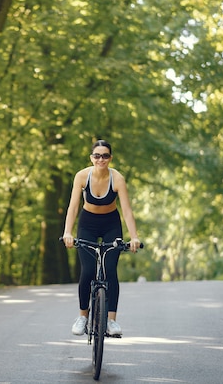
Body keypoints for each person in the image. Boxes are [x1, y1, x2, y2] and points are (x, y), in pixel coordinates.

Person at [62, 140, 141, 337]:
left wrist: (134, 237)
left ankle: (111, 321)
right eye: (97, 155)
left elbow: (128, 211)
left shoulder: (117, 179)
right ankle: (82, 317)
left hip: (111, 224)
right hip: (87, 223)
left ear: (110, 158)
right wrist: (67, 232)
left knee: (110, 270)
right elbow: (73, 207)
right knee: (88, 270)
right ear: (91, 158)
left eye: (105, 155)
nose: (101, 159)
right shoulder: (81, 176)